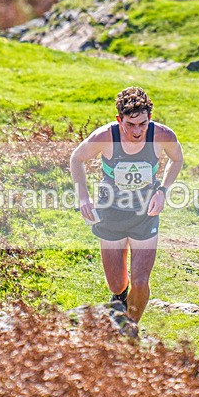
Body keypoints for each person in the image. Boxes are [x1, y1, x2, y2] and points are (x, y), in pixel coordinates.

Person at [70, 87, 183, 324]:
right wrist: (83, 197)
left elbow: (177, 159)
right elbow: (76, 159)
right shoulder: (105, 136)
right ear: (119, 119)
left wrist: (162, 191)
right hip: (111, 213)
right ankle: (119, 301)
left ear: (149, 118)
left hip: (145, 214)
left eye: (142, 124)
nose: (137, 131)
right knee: (117, 283)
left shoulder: (162, 135)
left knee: (140, 281)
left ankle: (130, 329)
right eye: (130, 125)